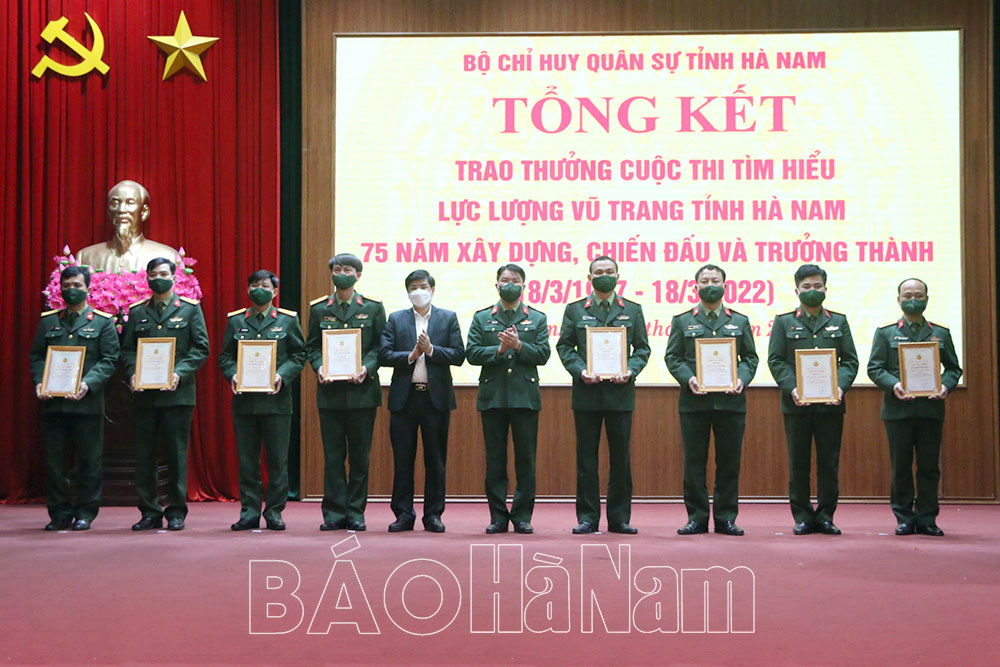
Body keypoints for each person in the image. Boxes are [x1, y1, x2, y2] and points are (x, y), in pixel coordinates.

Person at [556, 255, 650, 534]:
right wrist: (580, 370)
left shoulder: (632, 310)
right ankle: (587, 517)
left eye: (609, 271)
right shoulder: (575, 310)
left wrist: (630, 370)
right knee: (586, 460)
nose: (604, 275)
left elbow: (642, 349)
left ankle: (619, 518)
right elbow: (565, 347)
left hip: (621, 395)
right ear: (589, 278)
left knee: (621, 460)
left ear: (618, 277)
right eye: (598, 272)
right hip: (587, 394)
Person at [665, 264, 758, 536]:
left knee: (729, 463)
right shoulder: (682, 321)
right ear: (696, 286)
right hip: (694, 403)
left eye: (715, 280)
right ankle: (696, 518)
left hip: (731, 403)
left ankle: (726, 518)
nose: (710, 285)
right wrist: (689, 378)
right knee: (694, 463)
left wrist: (741, 379)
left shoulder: (740, 321)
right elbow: (673, 357)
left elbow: (750, 358)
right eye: (704, 281)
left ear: (724, 285)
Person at [867, 278, 962, 536]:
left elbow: (953, 369)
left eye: (918, 295)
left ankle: (927, 518)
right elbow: (875, 368)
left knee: (929, 467)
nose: (912, 299)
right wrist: (894, 385)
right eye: (907, 295)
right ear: (899, 300)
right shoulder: (886, 333)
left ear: (927, 299)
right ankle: (904, 518)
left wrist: (945, 386)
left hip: (931, 410)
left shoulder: (941, 333)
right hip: (898, 411)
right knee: (901, 467)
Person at [768, 264, 858, 535]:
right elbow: (776, 360)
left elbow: (850, 361)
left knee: (829, 463)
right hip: (796, 405)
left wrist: (840, 387)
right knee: (798, 463)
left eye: (817, 286)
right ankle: (803, 516)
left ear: (825, 289)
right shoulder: (784, 322)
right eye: (806, 286)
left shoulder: (838, 321)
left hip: (831, 405)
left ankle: (826, 515)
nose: (812, 290)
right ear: (797, 290)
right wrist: (793, 388)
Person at [122, 257, 210, 531]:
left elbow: (201, 348)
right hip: (145, 396)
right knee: (145, 456)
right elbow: (127, 350)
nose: (158, 278)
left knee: (175, 455)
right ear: (147, 278)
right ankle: (149, 511)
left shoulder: (190, 310)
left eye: (163, 273)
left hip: (177, 396)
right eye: (153, 274)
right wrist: (133, 372)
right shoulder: (137, 311)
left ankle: (176, 511)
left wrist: (179, 373)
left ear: (174, 277)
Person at [29, 266, 120, 531]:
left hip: (86, 404)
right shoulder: (48, 322)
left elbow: (109, 359)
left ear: (88, 288)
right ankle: (59, 513)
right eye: (67, 285)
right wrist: (40, 381)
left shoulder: (102, 322)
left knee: (89, 462)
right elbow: (37, 356)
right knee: (55, 463)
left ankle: (85, 512)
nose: (72, 290)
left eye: (77, 285)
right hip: (54, 404)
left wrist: (88, 383)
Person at [219, 270, 306, 531]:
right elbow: (225, 357)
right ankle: (249, 511)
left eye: (265, 286)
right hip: (245, 403)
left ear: (275, 292)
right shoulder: (236, 321)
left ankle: (275, 512)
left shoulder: (288, 320)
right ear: (248, 290)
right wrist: (233, 374)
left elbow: (299, 355)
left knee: (278, 461)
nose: (259, 289)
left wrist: (282, 375)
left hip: (277, 402)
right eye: (254, 285)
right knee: (248, 462)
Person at [466, 264, 550, 534]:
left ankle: (522, 516)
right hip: (493, 397)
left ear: (524, 286)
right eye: (505, 280)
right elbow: (472, 353)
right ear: (496, 285)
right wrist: (499, 350)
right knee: (495, 461)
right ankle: (498, 517)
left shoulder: (537, 318)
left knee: (526, 461)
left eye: (515, 280)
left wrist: (519, 346)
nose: (510, 284)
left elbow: (543, 354)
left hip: (525, 398)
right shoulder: (482, 317)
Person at [379, 269, 464, 533]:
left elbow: (459, 355)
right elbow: (383, 355)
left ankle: (433, 515)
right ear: (407, 292)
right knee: (403, 460)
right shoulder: (396, 319)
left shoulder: (447, 318)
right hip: (404, 400)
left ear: (432, 290)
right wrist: (412, 354)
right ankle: (403, 514)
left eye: (423, 286)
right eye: (413, 287)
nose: (419, 291)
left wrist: (431, 350)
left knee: (435, 460)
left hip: (435, 399)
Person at [307, 254, 385, 532]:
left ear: (358, 275)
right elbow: (312, 347)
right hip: (330, 395)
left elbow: (380, 347)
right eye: (337, 269)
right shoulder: (319, 309)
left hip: (362, 394)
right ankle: (334, 512)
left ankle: (355, 512)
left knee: (360, 459)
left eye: (348, 269)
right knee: (333, 458)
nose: (342, 273)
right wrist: (319, 366)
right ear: (331, 274)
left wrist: (367, 368)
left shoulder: (373, 308)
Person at [77, 180, 179, 273]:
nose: (121, 210)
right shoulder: (85, 257)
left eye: (130, 203)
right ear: (109, 212)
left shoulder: (168, 256)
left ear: (144, 212)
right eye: (115, 203)